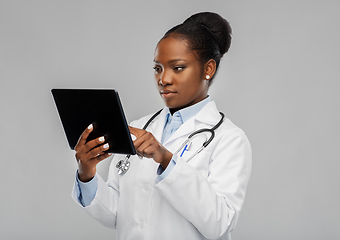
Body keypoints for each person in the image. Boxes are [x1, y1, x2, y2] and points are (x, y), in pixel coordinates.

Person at [72, 12, 252, 240]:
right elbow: (117, 215)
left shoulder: (229, 139)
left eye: (177, 68)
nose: (163, 79)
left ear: (208, 69)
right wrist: (87, 174)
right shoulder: (138, 127)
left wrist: (166, 159)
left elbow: (220, 224)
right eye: (158, 68)